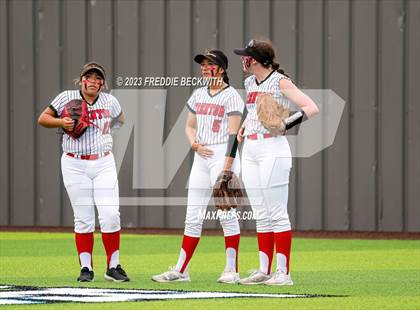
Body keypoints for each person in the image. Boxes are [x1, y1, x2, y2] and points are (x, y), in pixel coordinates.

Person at [152, 50, 245, 284]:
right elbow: (189, 126)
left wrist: (227, 169)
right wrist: (193, 144)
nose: (205, 68)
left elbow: (234, 135)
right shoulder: (198, 94)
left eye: (210, 64)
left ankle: (231, 270)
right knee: (192, 216)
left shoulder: (231, 95)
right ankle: (182, 270)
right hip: (201, 158)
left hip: (223, 155)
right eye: (203, 64)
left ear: (222, 69)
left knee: (227, 213)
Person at [233, 39, 319, 285]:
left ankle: (284, 273)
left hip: (273, 148)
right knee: (260, 212)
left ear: (258, 60)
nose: (243, 59)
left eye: (246, 56)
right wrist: (245, 126)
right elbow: (255, 110)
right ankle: (264, 269)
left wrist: (285, 124)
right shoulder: (250, 81)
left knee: (277, 212)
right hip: (251, 147)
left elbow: (311, 108)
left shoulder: (280, 81)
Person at [38, 62, 129, 282]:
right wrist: (62, 122)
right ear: (82, 80)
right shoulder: (66, 97)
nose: (94, 82)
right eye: (90, 77)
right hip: (74, 163)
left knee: (110, 215)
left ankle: (113, 266)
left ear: (102, 83)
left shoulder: (110, 100)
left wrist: (109, 133)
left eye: (99, 79)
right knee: (84, 218)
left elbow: (122, 119)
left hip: (103, 161)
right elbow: (43, 119)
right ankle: (86, 269)